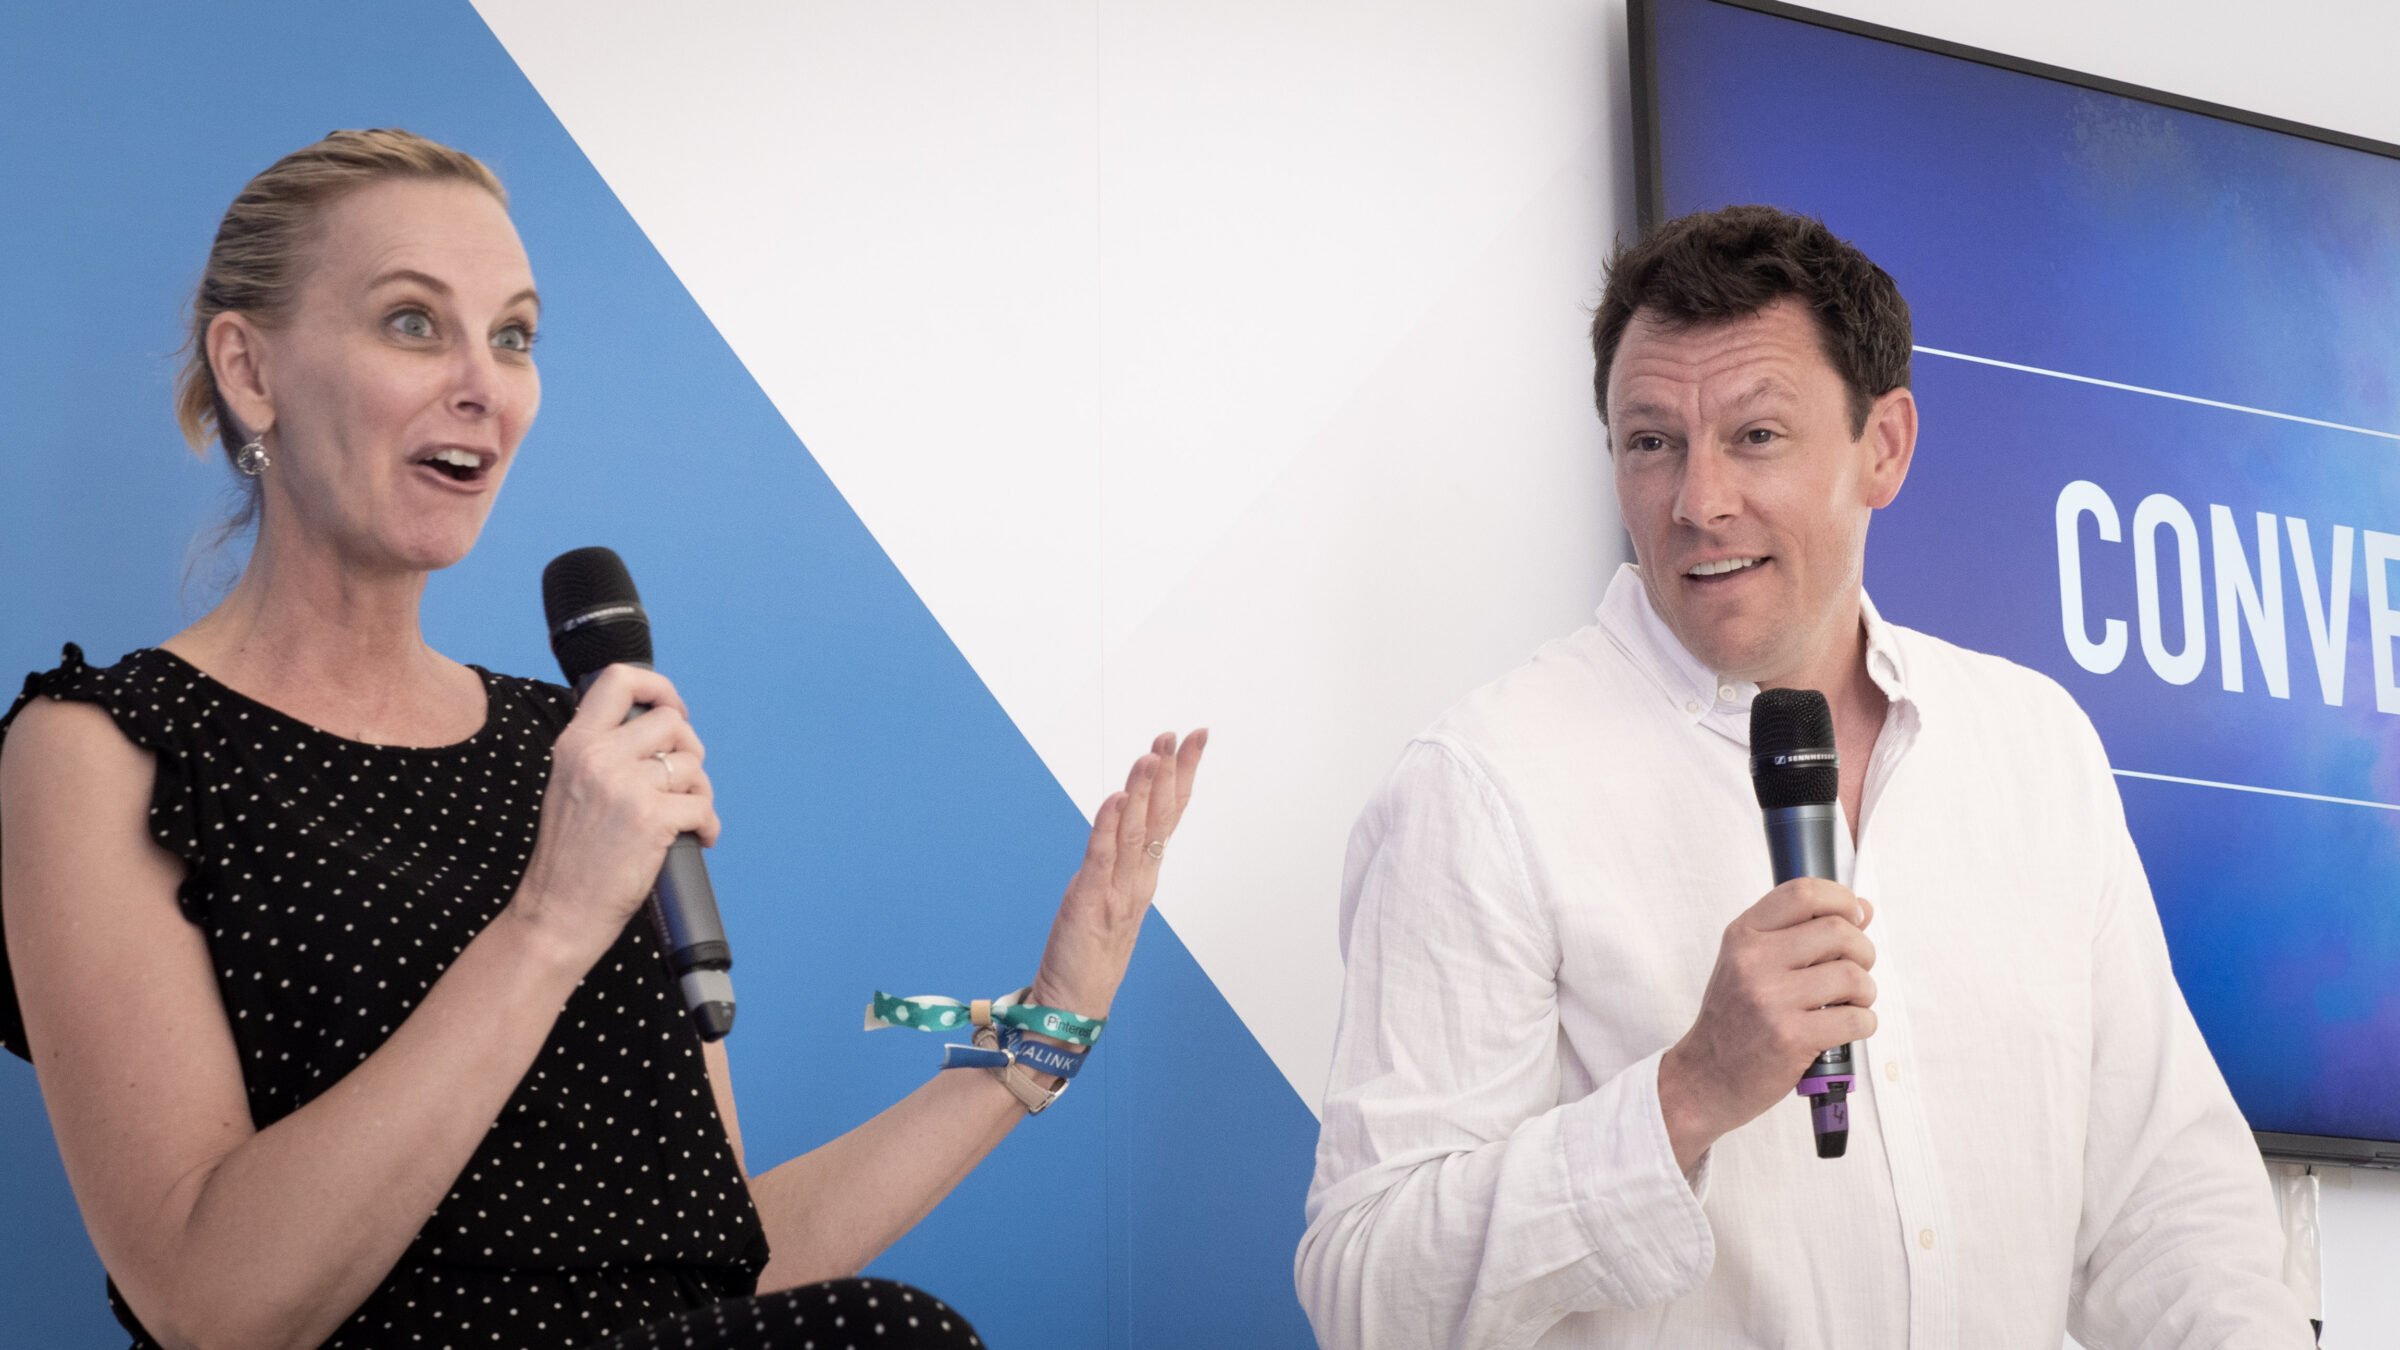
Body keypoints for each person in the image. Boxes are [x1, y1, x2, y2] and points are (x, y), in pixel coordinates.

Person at [0, 128, 1206, 1350]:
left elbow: (719, 1264)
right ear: (251, 372)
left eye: (514, 336)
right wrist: (551, 919)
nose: (484, 383)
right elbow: (208, 1305)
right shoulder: (107, 749)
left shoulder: (572, 750)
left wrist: (1039, 1035)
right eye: (414, 323)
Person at [1295, 204, 2309, 1348]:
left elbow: (2168, 1212)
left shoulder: (2032, 746)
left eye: (1756, 435)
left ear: (1885, 447)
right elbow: (1368, 1293)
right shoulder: (1484, 785)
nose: (1698, 502)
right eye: (1650, 442)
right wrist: (1686, 1093)